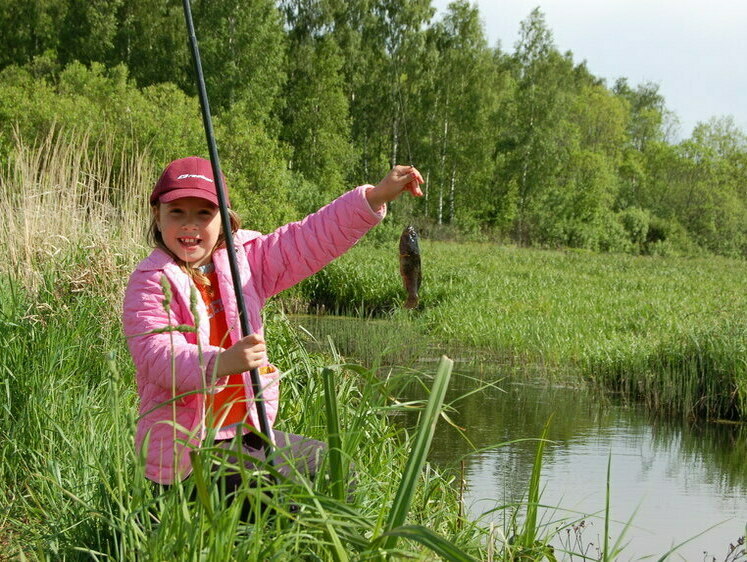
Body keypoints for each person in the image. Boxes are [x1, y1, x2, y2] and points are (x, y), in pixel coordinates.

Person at [122, 156, 424, 502]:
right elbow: (156, 355)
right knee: (281, 499)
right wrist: (222, 362)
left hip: (245, 435)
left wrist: (375, 196)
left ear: (224, 220)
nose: (190, 225)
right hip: (186, 453)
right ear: (157, 218)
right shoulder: (149, 282)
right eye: (177, 212)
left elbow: (310, 238)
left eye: (204, 213)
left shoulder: (247, 261)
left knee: (334, 468)